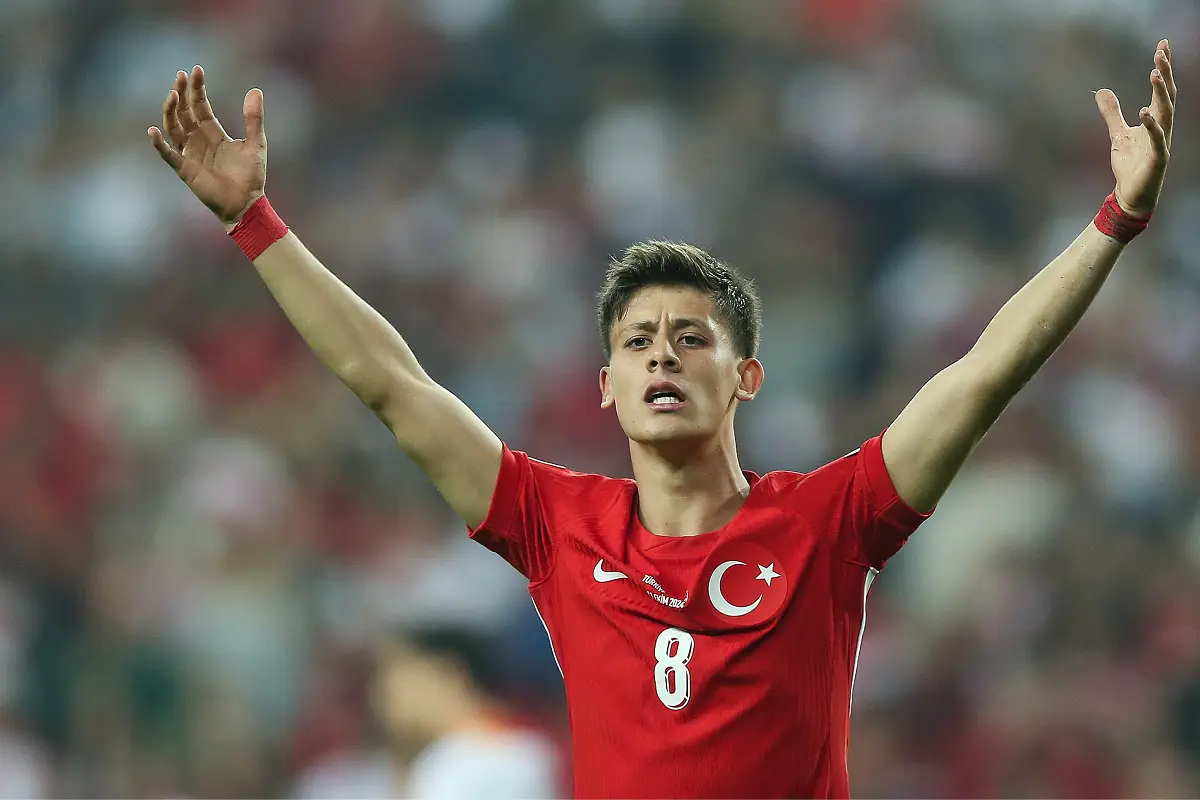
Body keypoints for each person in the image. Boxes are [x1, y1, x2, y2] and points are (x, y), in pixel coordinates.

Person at [147, 39, 1177, 799]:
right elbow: (392, 382)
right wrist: (254, 221)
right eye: (637, 342)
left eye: (692, 338)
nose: (661, 357)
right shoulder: (556, 524)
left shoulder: (830, 521)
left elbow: (986, 371)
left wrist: (1114, 222)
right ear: (605, 385)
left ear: (749, 377)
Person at [294, 627, 561, 799]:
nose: (382, 693)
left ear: (446, 675)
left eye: (396, 676)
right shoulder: (531, 745)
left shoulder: (458, 762)